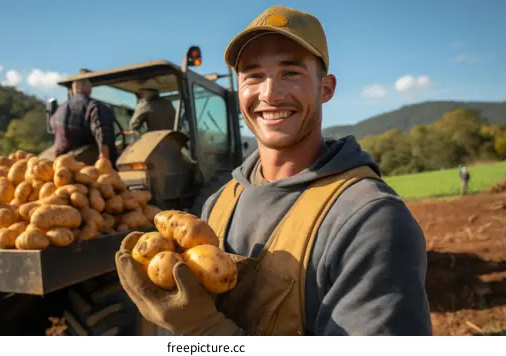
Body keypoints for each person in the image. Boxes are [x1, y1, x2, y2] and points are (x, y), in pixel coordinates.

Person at [115, 5, 432, 336]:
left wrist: (205, 332)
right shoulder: (219, 203)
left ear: (326, 88)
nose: (270, 93)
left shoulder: (369, 220)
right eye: (253, 75)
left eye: (290, 73)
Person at [47, 78, 118, 166]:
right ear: (89, 89)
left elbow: (53, 127)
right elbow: (102, 131)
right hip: (86, 165)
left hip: (61, 164)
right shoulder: (94, 106)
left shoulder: (59, 110)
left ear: (73, 90)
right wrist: (105, 160)